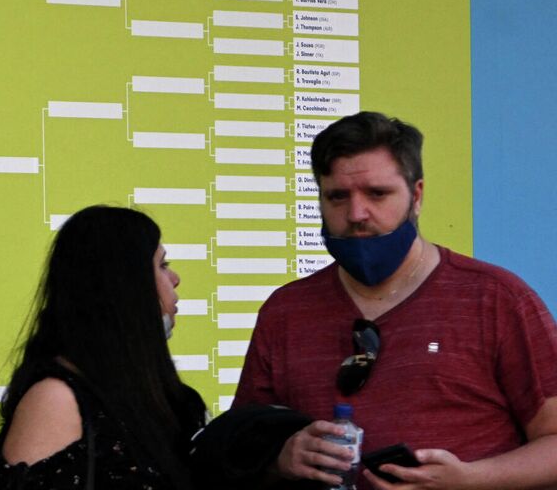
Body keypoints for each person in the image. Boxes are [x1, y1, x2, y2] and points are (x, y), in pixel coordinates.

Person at [232, 111, 557, 489]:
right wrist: (279, 458)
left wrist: (470, 480)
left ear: (416, 196)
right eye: (337, 196)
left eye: (377, 194)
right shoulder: (285, 312)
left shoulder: (496, 299)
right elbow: (238, 448)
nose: (356, 214)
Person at [0, 205, 206, 490]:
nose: (175, 278)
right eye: (162, 265)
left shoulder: (165, 397)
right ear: (125, 285)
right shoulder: (56, 399)